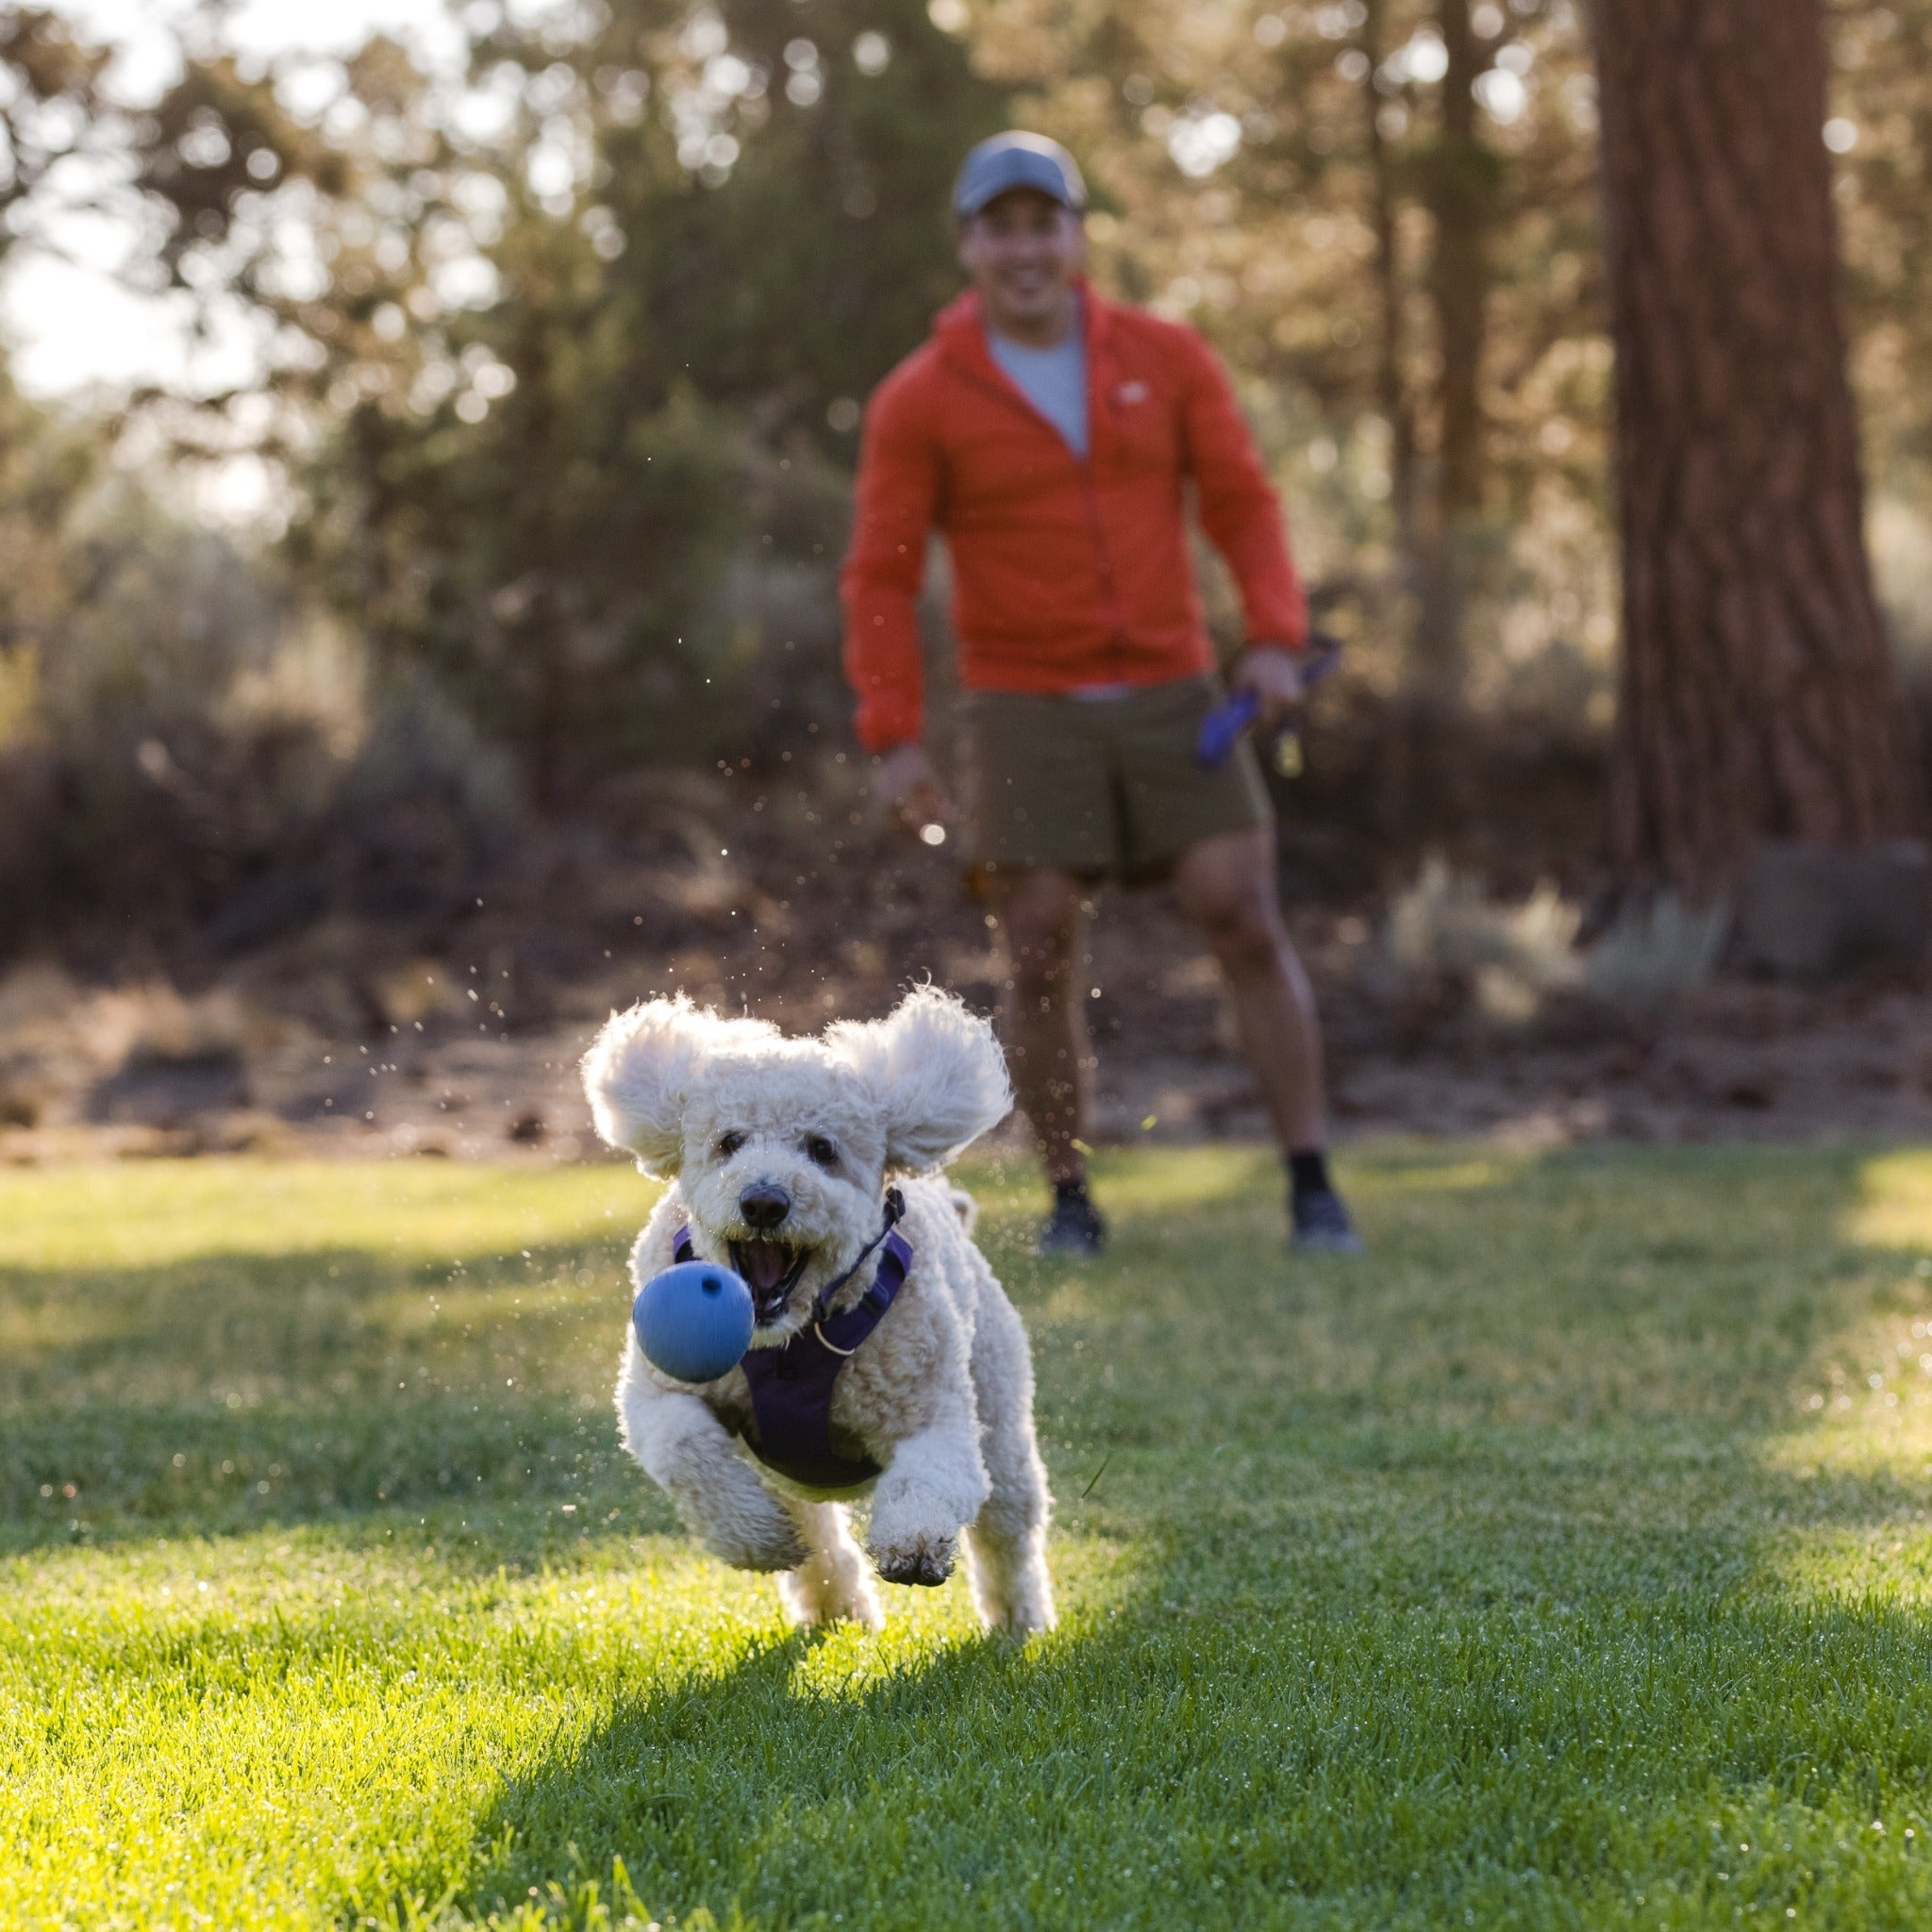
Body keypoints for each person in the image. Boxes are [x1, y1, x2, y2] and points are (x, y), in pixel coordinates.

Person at [840, 131, 1359, 1257]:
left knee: (1243, 911)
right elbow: (879, 575)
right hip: (1021, 700)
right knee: (1034, 944)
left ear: (1076, 236)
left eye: (1045, 224)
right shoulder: (920, 397)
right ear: (969, 245)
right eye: (1001, 228)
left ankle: (1312, 1185)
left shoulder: (1164, 356)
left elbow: (1240, 501)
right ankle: (1070, 1199)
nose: (1025, 248)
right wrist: (894, 732)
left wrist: (1273, 637)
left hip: (1173, 687)